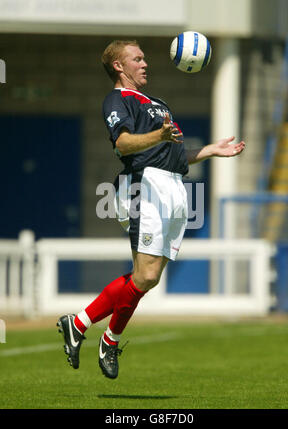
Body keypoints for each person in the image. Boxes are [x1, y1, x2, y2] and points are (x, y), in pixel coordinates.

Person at [57, 40, 245, 379]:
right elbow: (123, 143)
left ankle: (79, 322)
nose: (145, 63)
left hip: (173, 187)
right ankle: (110, 340)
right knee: (144, 274)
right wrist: (159, 135)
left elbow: (172, 154)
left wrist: (210, 150)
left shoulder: (158, 103)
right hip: (145, 187)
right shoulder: (117, 99)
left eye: (144, 58)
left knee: (150, 277)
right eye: (137, 58)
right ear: (118, 66)